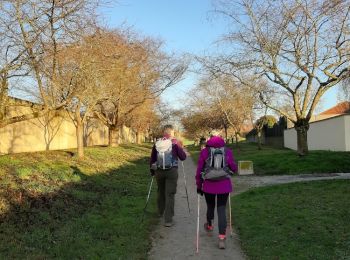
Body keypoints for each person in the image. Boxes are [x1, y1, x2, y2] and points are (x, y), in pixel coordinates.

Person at [195, 130, 237, 249]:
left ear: (210, 139)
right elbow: (233, 167)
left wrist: (199, 185)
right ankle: (222, 238)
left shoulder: (204, 152)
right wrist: (232, 169)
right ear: (220, 138)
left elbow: (199, 170)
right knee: (221, 210)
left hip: (209, 186)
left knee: (210, 206)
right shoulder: (227, 151)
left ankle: (209, 225)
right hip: (224, 185)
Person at [150, 125, 187, 227]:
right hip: (171, 171)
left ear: (164, 133)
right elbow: (183, 157)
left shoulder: (157, 143)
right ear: (172, 133)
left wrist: (152, 172)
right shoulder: (174, 143)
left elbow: (152, 159)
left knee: (160, 191)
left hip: (159, 171)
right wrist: (179, 147)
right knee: (170, 194)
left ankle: (160, 212)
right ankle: (168, 220)